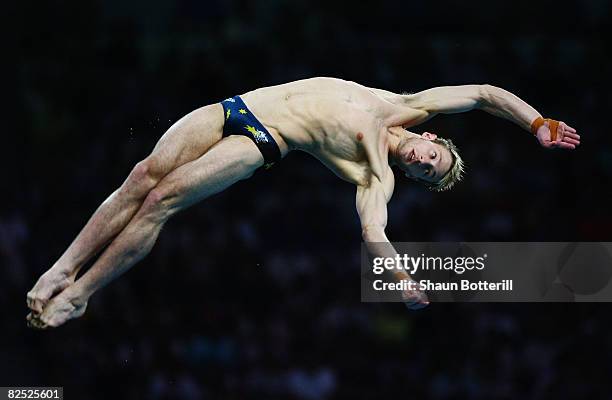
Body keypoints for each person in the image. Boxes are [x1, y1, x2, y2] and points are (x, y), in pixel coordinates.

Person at [26, 77, 580, 328]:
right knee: (142, 176)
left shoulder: (376, 177)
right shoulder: (408, 104)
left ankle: (80, 296)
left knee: (162, 201)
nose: (417, 163)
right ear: (431, 139)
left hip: (263, 142)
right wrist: (536, 123)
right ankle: (61, 270)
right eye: (428, 158)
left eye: (422, 174)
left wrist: (400, 279)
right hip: (238, 105)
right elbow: (484, 95)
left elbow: (374, 235)